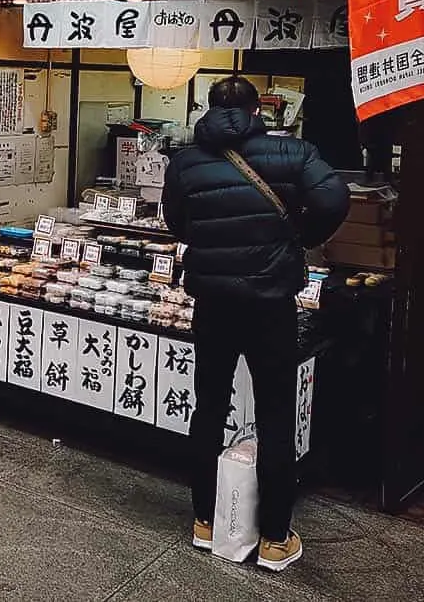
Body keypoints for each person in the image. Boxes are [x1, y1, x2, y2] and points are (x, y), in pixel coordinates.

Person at [162, 76, 348, 572]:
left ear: (210, 108)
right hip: (271, 305)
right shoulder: (293, 154)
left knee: (209, 408)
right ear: (255, 109)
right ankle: (274, 538)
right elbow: (334, 199)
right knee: (275, 417)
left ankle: (204, 520)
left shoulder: (184, 162)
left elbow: (177, 223)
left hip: (214, 302)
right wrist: (298, 236)